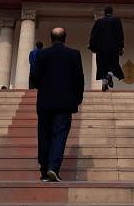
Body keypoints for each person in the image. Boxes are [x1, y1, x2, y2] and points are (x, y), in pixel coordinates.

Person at [33, 27, 84, 182]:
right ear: (65, 38)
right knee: (59, 135)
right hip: (64, 103)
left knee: (44, 135)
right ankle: (53, 168)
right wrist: (78, 98)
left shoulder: (42, 54)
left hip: (45, 102)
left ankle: (43, 171)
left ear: (50, 38)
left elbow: (34, 78)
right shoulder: (74, 54)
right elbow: (79, 79)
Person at [89, 6, 124, 91]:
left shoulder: (99, 22)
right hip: (113, 48)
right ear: (112, 12)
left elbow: (93, 35)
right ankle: (110, 75)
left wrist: (92, 46)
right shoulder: (116, 21)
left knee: (102, 66)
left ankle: (104, 84)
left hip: (101, 49)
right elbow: (120, 34)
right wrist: (121, 47)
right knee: (113, 64)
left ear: (104, 13)